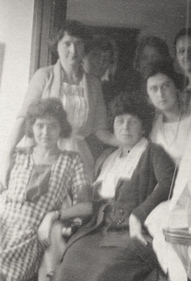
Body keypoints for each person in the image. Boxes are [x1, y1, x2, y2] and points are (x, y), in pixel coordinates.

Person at [40, 91, 175, 281]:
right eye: (119, 121)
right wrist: (59, 216)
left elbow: (168, 185)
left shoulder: (154, 152)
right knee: (69, 270)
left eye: (132, 121)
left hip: (131, 237)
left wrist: (139, 214)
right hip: (96, 232)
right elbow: (91, 202)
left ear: (143, 127)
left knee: (98, 277)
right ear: (113, 127)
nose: (125, 126)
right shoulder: (108, 158)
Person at [0, 98, 91, 281]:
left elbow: (87, 206)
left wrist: (53, 215)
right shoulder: (18, 155)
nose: (45, 132)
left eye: (52, 126)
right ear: (31, 127)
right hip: (3, 221)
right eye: (39, 125)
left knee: (8, 278)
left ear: (61, 128)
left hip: (29, 235)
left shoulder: (71, 161)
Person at [0, 20, 117, 185]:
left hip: (79, 156)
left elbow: (100, 130)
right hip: (45, 153)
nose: (73, 50)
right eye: (67, 43)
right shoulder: (44, 76)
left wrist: (128, 142)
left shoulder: (93, 84)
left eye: (78, 43)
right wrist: (6, 157)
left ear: (85, 47)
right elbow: (24, 118)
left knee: (75, 207)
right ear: (57, 46)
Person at [145, 59, 191, 165]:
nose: (160, 94)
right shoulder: (153, 127)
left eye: (165, 86)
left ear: (176, 88)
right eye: (154, 89)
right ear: (148, 95)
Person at [83, 35, 118, 105]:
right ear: (83, 56)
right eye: (96, 55)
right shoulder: (75, 85)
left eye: (106, 58)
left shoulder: (109, 92)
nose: (101, 61)